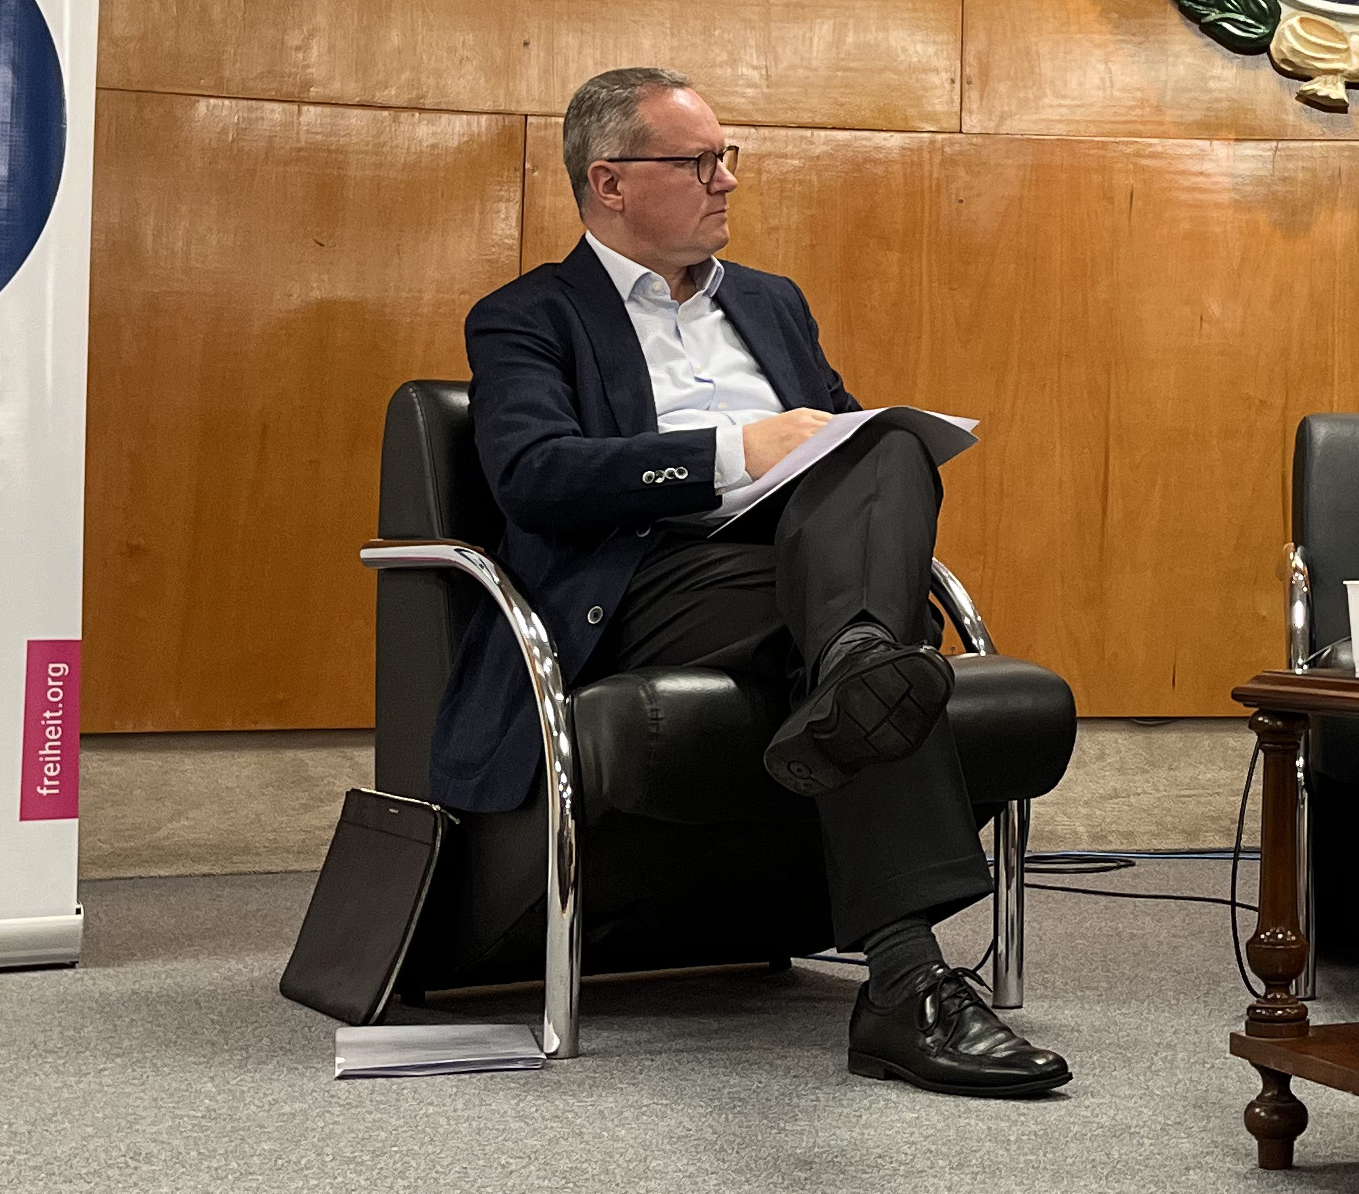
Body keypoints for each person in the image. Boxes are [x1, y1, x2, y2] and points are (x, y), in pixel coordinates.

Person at [433, 65, 1070, 1099]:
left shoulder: (774, 304)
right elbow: (535, 476)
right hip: (650, 577)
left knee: (889, 448)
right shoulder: (528, 316)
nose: (727, 179)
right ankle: (868, 668)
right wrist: (735, 448)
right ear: (610, 182)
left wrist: (847, 448)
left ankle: (901, 959)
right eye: (698, 161)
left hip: (799, 578)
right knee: (876, 640)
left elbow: (849, 459)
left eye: (728, 157)